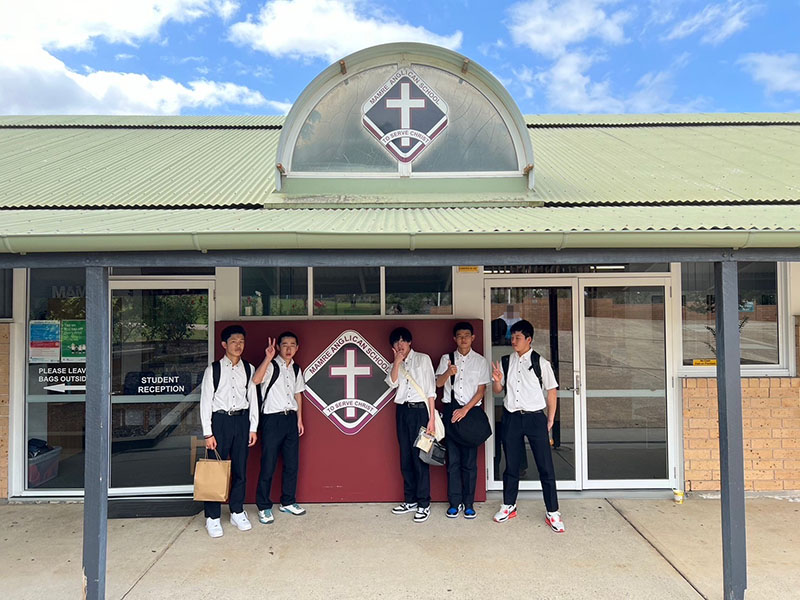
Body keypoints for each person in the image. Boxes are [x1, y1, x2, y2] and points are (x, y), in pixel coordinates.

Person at [491, 319, 565, 533]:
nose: (513, 341)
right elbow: (498, 391)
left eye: (518, 337)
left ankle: (553, 511)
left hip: (535, 418)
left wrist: (550, 419)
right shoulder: (505, 361)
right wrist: (497, 380)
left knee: (545, 466)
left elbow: (552, 391)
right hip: (512, 417)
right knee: (511, 465)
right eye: (512, 337)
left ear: (529, 339)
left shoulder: (541, 363)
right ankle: (508, 505)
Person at [199, 324, 259, 538]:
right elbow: (205, 402)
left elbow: (253, 400)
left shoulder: (249, 369)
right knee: (215, 470)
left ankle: (237, 511)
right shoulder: (213, 369)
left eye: (241, 341)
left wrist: (253, 427)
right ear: (224, 344)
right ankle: (212, 516)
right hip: (220, 421)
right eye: (234, 341)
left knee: (240, 469)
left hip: (241, 421)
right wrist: (208, 433)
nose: (238, 345)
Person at [435, 321, 490, 519]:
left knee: (469, 463)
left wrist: (465, 410)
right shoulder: (446, 359)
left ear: (473, 338)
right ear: (454, 339)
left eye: (467, 335)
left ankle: (469, 503)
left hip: (470, 414)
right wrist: (448, 373)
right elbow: (438, 384)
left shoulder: (480, 361)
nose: (463, 339)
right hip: (451, 413)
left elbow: (481, 390)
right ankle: (454, 503)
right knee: (453, 462)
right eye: (459, 336)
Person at [253, 331, 306, 524]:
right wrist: (268, 358)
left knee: (292, 464)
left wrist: (299, 419)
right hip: (272, 420)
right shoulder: (271, 365)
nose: (289, 349)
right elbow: (256, 380)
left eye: (292, 345)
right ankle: (263, 506)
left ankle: (288, 501)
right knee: (268, 464)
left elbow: (298, 394)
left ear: (297, 348)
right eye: (284, 345)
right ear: (278, 347)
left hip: (290, 419)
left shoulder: (296, 369)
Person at [385, 326, 436, 523]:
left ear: (409, 342)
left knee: (420, 457)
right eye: (396, 342)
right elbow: (392, 383)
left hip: (421, 412)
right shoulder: (395, 363)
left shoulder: (423, 359)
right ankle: (410, 500)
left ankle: (424, 503)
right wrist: (397, 362)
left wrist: (431, 418)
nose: (400, 345)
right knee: (405, 456)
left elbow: (430, 390)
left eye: (403, 341)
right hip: (402, 412)